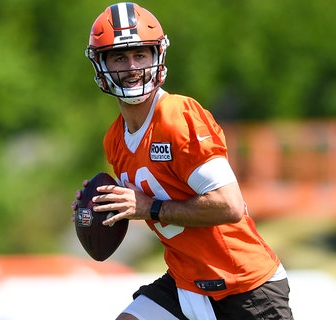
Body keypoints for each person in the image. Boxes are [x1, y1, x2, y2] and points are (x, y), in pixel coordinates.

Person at [72, 2, 294, 319]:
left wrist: (150, 208)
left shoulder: (178, 117)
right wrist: (96, 207)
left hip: (243, 286)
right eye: (120, 57)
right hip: (185, 282)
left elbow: (228, 206)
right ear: (101, 65)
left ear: (157, 56)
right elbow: (136, 201)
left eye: (140, 54)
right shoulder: (114, 140)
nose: (132, 66)